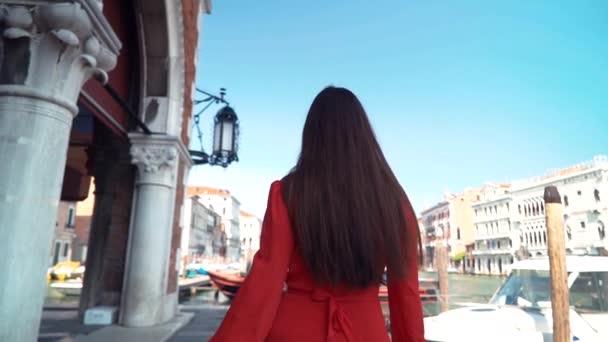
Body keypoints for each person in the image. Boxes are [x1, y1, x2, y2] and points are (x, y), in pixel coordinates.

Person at [209, 86, 424, 341]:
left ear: (312, 135)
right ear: (364, 135)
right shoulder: (394, 202)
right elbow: (406, 294)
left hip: (294, 331)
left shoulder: (288, 193)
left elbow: (265, 283)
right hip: (365, 332)